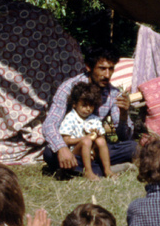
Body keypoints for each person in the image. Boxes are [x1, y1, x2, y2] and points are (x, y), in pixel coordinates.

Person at [43, 45, 136, 178]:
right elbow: (49, 124)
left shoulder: (113, 94)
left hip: (97, 148)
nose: (107, 75)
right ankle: (106, 169)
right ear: (88, 66)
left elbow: (123, 137)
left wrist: (123, 115)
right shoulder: (68, 88)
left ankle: (78, 170)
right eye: (102, 69)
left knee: (132, 148)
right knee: (49, 154)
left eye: (111, 69)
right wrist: (61, 148)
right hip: (74, 148)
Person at [58, 82, 112, 180]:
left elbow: (102, 138)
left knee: (101, 141)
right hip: (76, 152)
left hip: (92, 152)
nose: (88, 109)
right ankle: (88, 171)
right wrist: (83, 139)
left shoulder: (94, 118)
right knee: (86, 141)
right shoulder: (70, 118)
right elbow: (65, 140)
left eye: (91, 106)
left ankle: (107, 170)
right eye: (84, 105)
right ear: (74, 104)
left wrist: (98, 135)